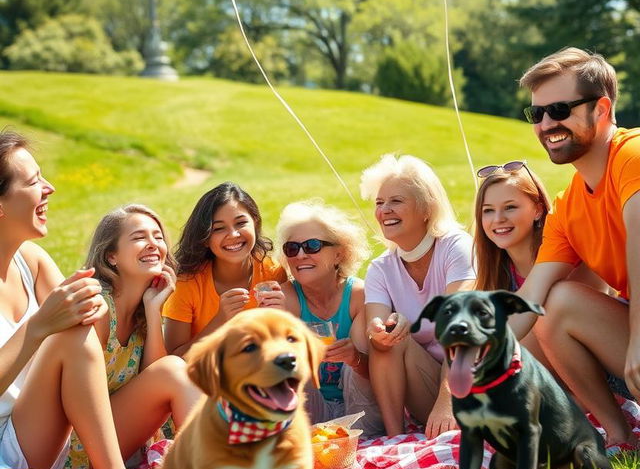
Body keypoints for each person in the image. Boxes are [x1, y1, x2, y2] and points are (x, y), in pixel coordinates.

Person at [0, 130, 142, 469]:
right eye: (33, 183)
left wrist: (90, 309)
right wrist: (39, 326)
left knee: (73, 337)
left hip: (28, 430)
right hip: (12, 468)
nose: (49, 188)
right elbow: (46, 326)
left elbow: (77, 336)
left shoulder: (31, 260)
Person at [516, 46, 640, 450]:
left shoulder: (632, 156)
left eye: (560, 110)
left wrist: (638, 340)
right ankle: (620, 437)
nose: (547, 124)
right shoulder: (568, 206)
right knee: (556, 303)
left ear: (601, 110)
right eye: (537, 114)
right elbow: (530, 300)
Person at [63, 204, 202, 469]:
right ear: (111, 256)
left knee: (175, 369)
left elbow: (152, 382)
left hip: (116, 439)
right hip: (80, 450)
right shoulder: (99, 309)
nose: (153, 244)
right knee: (174, 368)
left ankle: (208, 466)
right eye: (139, 237)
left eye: (158, 237)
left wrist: (153, 311)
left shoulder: (142, 309)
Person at [358, 153, 476, 437]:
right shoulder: (380, 268)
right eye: (379, 203)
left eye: (396, 201)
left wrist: (447, 404)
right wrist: (382, 330)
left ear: (426, 208)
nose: (384, 210)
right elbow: (374, 326)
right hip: (427, 391)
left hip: (477, 387)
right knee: (386, 341)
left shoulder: (456, 247)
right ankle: (394, 437)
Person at [275, 200, 383, 437]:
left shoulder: (359, 296)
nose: (300, 255)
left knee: (355, 359)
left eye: (312, 246)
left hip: (360, 414)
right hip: (307, 416)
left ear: (339, 253)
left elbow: (382, 371)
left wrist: (354, 358)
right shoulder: (287, 297)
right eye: (292, 248)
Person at [164, 182, 286, 357]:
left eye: (241, 223)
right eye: (219, 228)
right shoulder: (186, 284)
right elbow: (174, 359)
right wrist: (220, 320)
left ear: (256, 223)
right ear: (205, 238)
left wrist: (282, 314)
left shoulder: (273, 272)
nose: (233, 235)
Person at [474, 161, 550, 292]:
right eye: (488, 210)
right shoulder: (493, 273)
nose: (498, 219)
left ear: (538, 210)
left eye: (510, 207)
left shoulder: (562, 261)